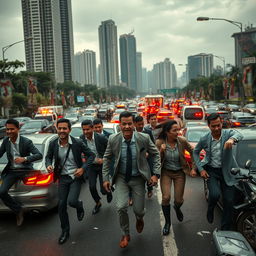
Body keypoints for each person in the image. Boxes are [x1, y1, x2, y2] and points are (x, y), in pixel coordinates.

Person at [102, 111, 161, 248]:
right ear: (120, 125)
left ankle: (140, 218)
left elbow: (156, 155)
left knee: (138, 210)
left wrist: (155, 174)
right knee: (121, 207)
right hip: (121, 178)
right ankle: (125, 233)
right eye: (124, 124)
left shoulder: (143, 138)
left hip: (138, 178)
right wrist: (106, 178)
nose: (127, 127)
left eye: (130, 124)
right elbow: (107, 158)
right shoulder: (113, 139)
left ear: (134, 124)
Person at [45, 118, 95, 244]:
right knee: (61, 205)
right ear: (57, 129)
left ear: (69, 130)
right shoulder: (53, 144)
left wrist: (83, 169)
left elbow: (91, 156)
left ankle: (79, 206)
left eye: (64, 128)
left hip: (75, 177)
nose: (62, 131)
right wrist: (48, 165)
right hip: (62, 178)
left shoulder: (77, 143)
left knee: (72, 201)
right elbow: (48, 157)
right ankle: (65, 231)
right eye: (59, 128)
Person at [193, 113, 243, 230]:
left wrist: (232, 139)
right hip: (212, 171)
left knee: (229, 201)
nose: (216, 129)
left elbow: (239, 134)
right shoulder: (204, 139)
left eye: (218, 125)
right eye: (213, 126)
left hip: (227, 172)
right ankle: (210, 208)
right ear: (209, 126)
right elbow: (195, 152)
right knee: (214, 195)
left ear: (221, 123)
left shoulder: (228, 134)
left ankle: (225, 228)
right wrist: (200, 169)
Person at [156, 120, 197, 236]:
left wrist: (193, 168)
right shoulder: (159, 142)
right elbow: (156, 161)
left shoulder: (182, 141)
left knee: (178, 200)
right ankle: (168, 223)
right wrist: (161, 152)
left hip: (180, 173)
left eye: (178, 130)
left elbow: (194, 152)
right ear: (167, 132)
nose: (177, 132)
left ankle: (177, 208)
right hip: (166, 173)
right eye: (175, 130)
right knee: (165, 197)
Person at [0, 119, 42, 226]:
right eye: (7, 129)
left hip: (25, 170)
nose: (9, 131)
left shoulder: (26, 142)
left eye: (12, 129)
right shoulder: (5, 141)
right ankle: (18, 210)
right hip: (12, 171)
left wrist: (25, 158)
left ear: (18, 129)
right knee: (2, 192)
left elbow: (39, 155)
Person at [80, 120, 113, 215]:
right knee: (91, 187)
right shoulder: (81, 139)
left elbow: (110, 151)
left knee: (103, 190)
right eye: (84, 130)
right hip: (91, 166)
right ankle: (98, 203)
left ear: (92, 129)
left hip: (102, 165)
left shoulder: (101, 138)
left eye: (88, 129)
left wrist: (104, 159)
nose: (86, 132)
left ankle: (108, 191)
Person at [134, 115, 155, 199]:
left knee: (149, 173)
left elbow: (152, 145)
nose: (141, 126)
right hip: (136, 158)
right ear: (135, 124)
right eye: (139, 124)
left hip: (147, 158)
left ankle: (150, 189)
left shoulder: (148, 132)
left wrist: (148, 153)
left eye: (142, 124)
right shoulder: (131, 132)